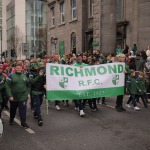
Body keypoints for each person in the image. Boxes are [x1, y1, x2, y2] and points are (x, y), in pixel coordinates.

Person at [6, 61, 30, 128]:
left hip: (23, 97)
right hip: (14, 97)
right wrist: (10, 95)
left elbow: (28, 85)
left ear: (21, 68)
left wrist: (28, 93)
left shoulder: (24, 76)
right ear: (15, 68)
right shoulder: (11, 76)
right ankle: (11, 119)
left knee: (22, 110)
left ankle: (23, 122)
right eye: (17, 68)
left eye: (20, 68)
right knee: (13, 110)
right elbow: (7, 86)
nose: (18, 69)